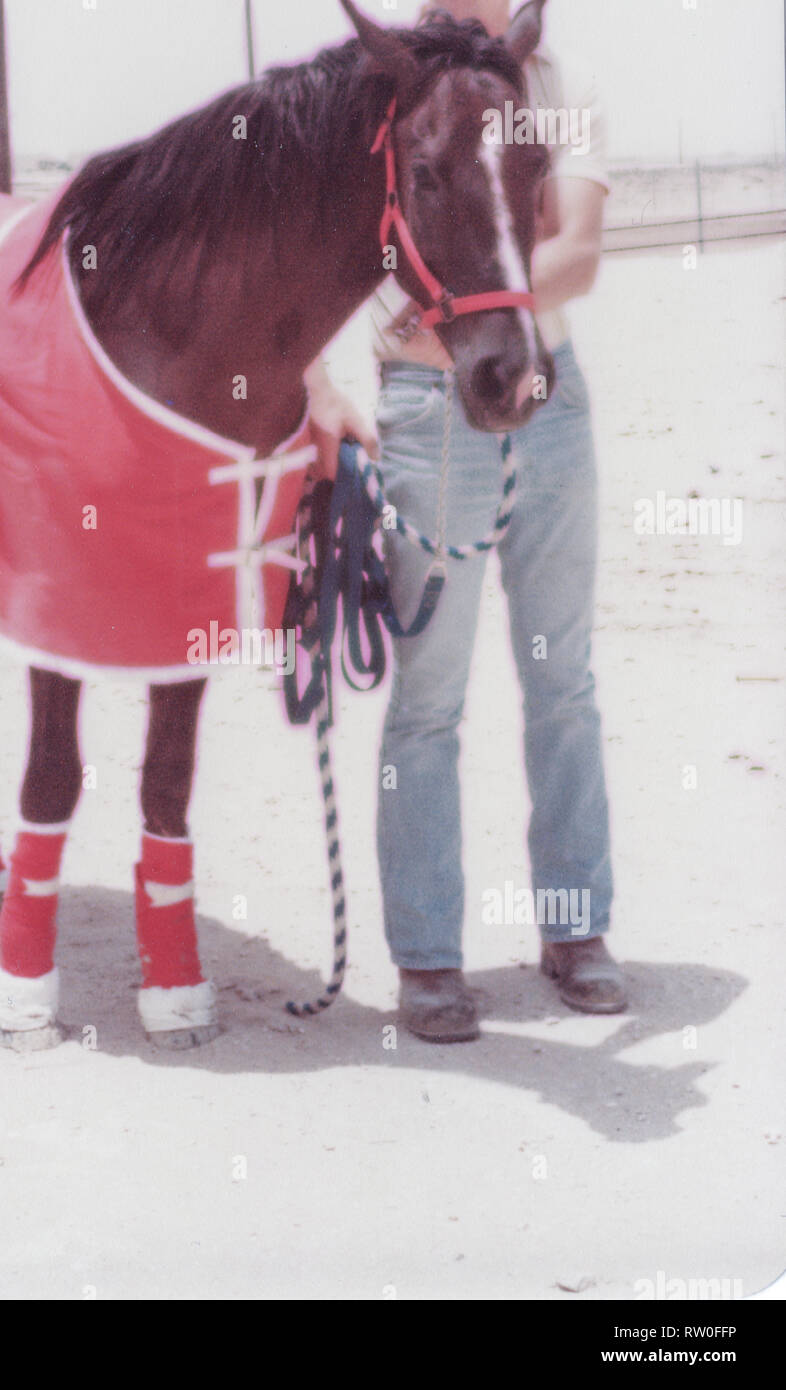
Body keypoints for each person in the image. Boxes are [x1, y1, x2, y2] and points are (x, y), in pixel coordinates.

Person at [307, 0, 624, 1041]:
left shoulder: (553, 82)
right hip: (422, 403)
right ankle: (430, 956)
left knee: (561, 677)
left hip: (546, 388)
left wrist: (476, 305)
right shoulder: (385, 83)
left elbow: (575, 244)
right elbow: (318, 258)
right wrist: (317, 386)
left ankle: (574, 927)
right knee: (428, 696)